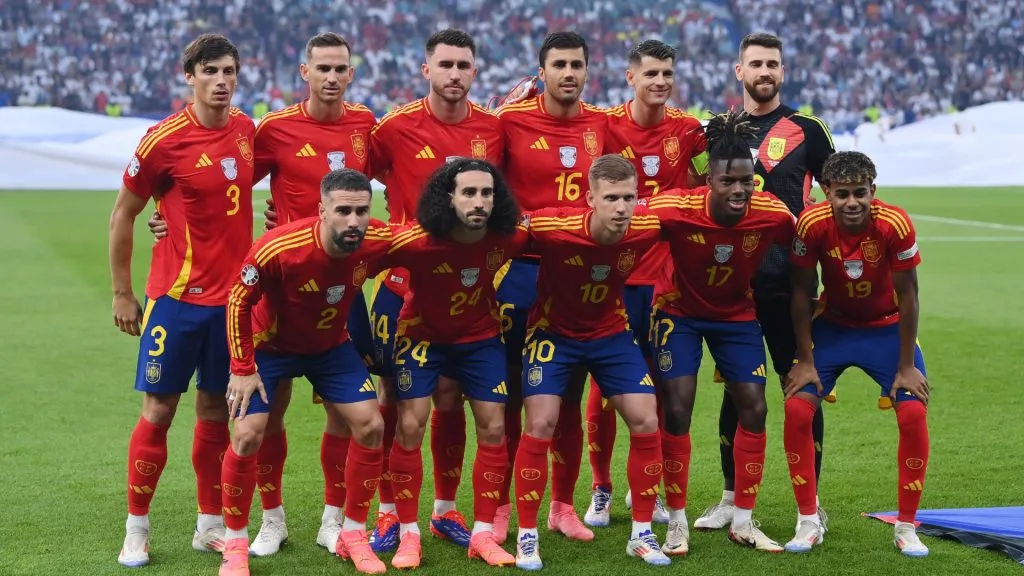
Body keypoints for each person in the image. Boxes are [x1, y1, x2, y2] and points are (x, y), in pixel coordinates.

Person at [110, 33, 255, 568]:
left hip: (234, 303)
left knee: (217, 410)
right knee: (160, 409)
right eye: (211, 71)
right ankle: (136, 527)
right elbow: (123, 213)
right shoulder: (163, 140)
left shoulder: (245, 128)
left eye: (230, 71)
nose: (222, 81)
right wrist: (123, 293)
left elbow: (240, 187)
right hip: (176, 300)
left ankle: (209, 524)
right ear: (189, 76)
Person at [365, 28, 505, 552]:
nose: (454, 74)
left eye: (463, 65)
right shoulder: (395, 128)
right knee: (393, 403)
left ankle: (446, 510)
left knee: (449, 402)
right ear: (427, 70)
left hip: (467, 290)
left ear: (474, 71)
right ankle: (387, 515)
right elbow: (348, 187)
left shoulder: (493, 130)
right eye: (444, 64)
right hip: (400, 289)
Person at [217, 169, 392, 576]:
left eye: (361, 211)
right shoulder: (280, 247)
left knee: (370, 425)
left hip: (330, 348)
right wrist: (242, 369)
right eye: (343, 211)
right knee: (247, 434)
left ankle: (349, 530)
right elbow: (237, 301)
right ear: (322, 211)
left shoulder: (377, 239)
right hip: (271, 347)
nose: (353, 220)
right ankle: (246, 538)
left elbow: (425, 238)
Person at [698, 32, 836, 532]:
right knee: (738, 392)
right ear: (739, 71)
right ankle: (731, 500)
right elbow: (695, 199)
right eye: (755, 63)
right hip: (729, 286)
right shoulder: (715, 131)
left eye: (772, 64)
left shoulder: (807, 129)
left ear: (782, 70)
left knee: (800, 388)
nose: (764, 71)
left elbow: (837, 198)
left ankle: (812, 504)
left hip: (790, 285)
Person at [647, 110, 794, 553]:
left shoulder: (773, 215)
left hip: (735, 316)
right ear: (708, 180)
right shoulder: (673, 207)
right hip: (679, 313)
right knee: (677, 407)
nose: (739, 190)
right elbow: (619, 227)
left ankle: (744, 521)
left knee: (755, 407)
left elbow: (807, 255)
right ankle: (676, 520)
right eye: (728, 181)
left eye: (746, 181)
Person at [512, 154, 669, 570]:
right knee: (541, 423)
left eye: (629, 198)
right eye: (612, 198)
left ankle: (641, 534)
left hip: (610, 336)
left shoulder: (645, 228)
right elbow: (504, 232)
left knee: (646, 420)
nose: (622, 208)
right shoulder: (552, 228)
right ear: (590, 198)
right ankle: (527, 536)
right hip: (552, 335)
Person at [584, 38, 708, 529]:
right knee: (603, 386)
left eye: (668, 74)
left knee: (657, 385)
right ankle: (600, 488)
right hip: (613, 273)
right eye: (651, 73)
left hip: (665, 278)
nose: (661, 82)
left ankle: (650, 492)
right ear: (630, 77)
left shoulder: (689, 130)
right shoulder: (604, 126)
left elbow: (708, 183)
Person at [494, 31, 612, 543]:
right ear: (540, 70)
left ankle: (562, 505)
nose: (569, 73)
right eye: (559, 64)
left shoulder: (603, 126)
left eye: (577, 64)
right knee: (513, 395)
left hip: (577, 275)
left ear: (588, 71)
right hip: (519, 271)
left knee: (565, 392)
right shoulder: (508, 121)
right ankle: (500, 506)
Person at [782, 151, 930, 556]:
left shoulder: (893, 223)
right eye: (842, 193)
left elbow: (909, 295)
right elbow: (800, 293)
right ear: (825, 192)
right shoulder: (811, 223)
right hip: (834, 327)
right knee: (797, 409)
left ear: (873, 191)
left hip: (886, 329)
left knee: (914, 411)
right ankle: (808, 520)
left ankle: (906, 526)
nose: (852, 202)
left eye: (860, 193)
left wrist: (904, 366)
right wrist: (806, 359)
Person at [381, 158, 526, 568]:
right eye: (469, 192)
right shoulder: (416, 240)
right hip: (422, 337)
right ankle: (409, 534)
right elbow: (362, 256)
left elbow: (556, 229)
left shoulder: (509, 237)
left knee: (495, 426)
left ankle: (482, 534)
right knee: (410, 424)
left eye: (486, 193)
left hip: (480, 338)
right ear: (449, 198)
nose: (479, 201)